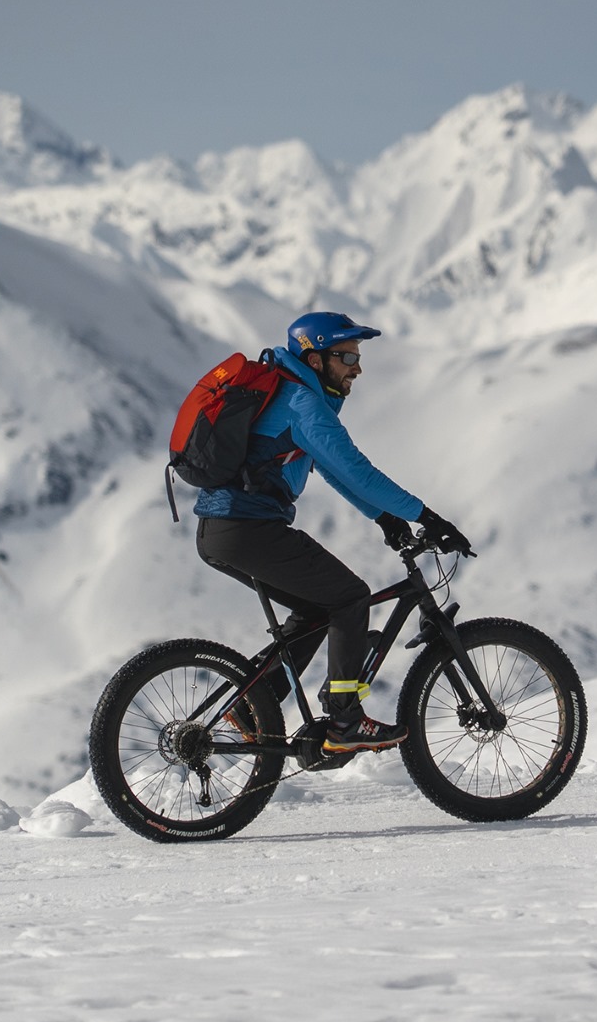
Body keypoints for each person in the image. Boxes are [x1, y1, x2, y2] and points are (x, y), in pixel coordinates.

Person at [193, 311, 472, 754]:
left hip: (222, 531)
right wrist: (425, 515)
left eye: (357, 358)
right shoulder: (302, 403)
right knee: (348, 596)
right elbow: (356, 469)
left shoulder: (290, 394)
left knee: (315, 610)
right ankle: (345, 721)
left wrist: (384, 518)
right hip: (248, 527)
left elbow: (331, 470)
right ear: (315, 358)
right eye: (346, 357)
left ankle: (254, 707)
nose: (357, 368)